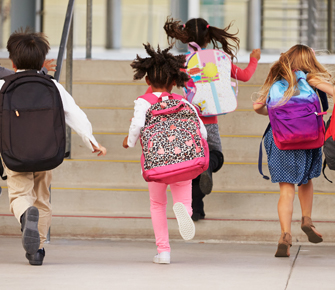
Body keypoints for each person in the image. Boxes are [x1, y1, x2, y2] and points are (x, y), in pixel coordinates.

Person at [2, 29, 107, 265]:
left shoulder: (3, 85)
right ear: (42, 62)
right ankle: (36, 250)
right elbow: (74, 113)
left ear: (12, 61)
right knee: (42, 198)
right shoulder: (52, 86)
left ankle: (24, 216)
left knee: (20, 194)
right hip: (46, 152)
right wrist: (91, 141)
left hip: (14, 153)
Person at [164, 17, 261, 221]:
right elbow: (244, 76)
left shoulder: (181, 62)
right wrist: (254, 59)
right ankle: (209, 165)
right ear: (209, 37)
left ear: (185, 36)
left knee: (191, 164)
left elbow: (163, 84)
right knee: (215, 155)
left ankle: (195, 210)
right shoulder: (219, 58)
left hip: (188, 121)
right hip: (210, 122)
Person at [123, 43, 207, 264]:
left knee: (157, 204)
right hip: (184, 163)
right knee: (183, 198)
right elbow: (203, 133)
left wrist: (129, 142)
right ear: (174, 81)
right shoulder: (184, 102)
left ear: (147, 81)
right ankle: (185, 212)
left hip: (157, 163)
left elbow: (137, 126)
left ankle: (164, 252)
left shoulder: (144, 101)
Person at [253, 44, 335, 257]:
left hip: (281, 139)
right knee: (306, 180)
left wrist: (275, 113)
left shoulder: (276, 80)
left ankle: (285, 235)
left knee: (286, 190)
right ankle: (307, 219)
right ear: (309, 61)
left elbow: (257, 107)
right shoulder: (311, 79)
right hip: (309, 138)